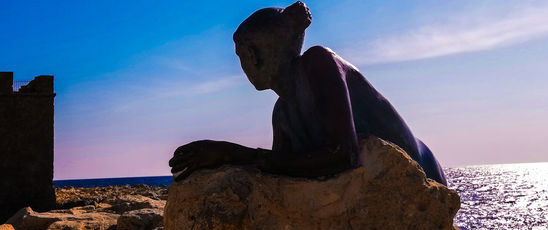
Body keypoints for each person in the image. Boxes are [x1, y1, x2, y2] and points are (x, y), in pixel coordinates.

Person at [169, 1, 447, 185]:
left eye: (242, 55)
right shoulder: (282, 112)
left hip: (423, 177)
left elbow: (344, 156)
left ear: (254, 55)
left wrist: (232, 154)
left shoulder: (318, 62)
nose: (243, 65)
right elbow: (283, 171)